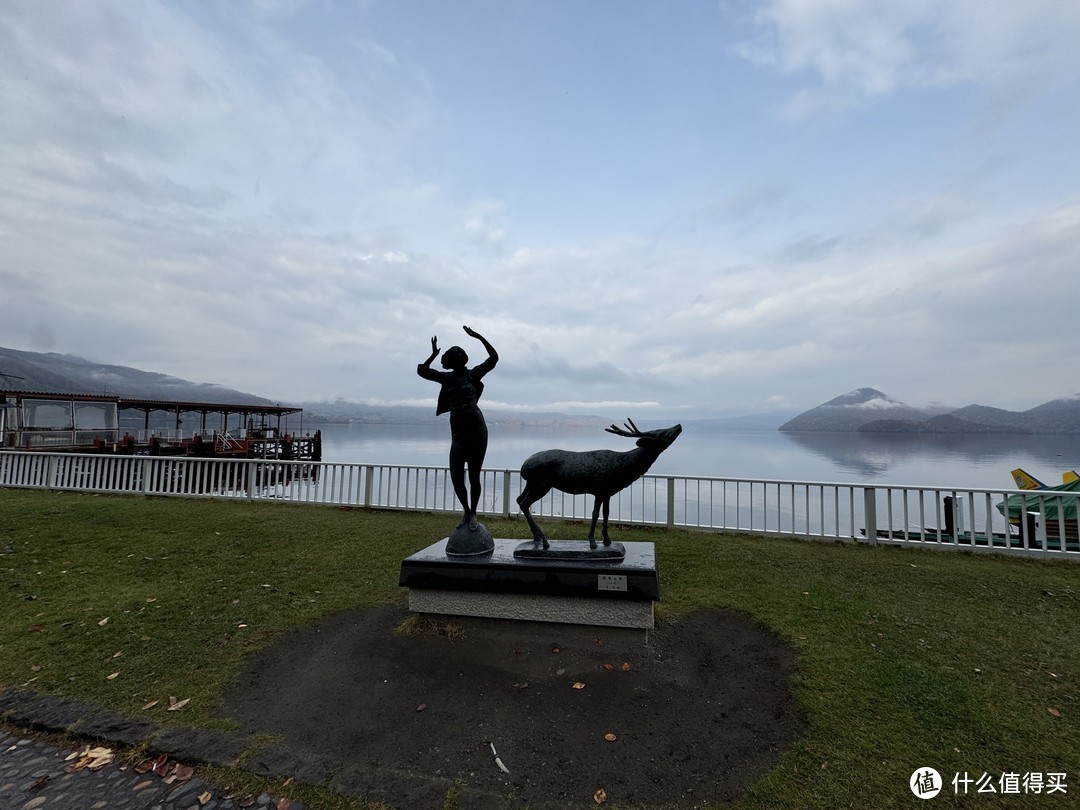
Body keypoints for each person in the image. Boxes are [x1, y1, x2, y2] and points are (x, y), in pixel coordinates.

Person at [417, 325, 499, 530]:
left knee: (474, 475)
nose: (445, 361)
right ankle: (465, 511)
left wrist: (478, 336)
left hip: (477, 431)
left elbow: (494, 358)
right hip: (458, 434)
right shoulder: (447, 378)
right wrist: (433, 355)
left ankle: (473, 514)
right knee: (456, 475)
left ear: (457, 359)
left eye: (446, 357)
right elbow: (422, 370)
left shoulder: (473, 375)